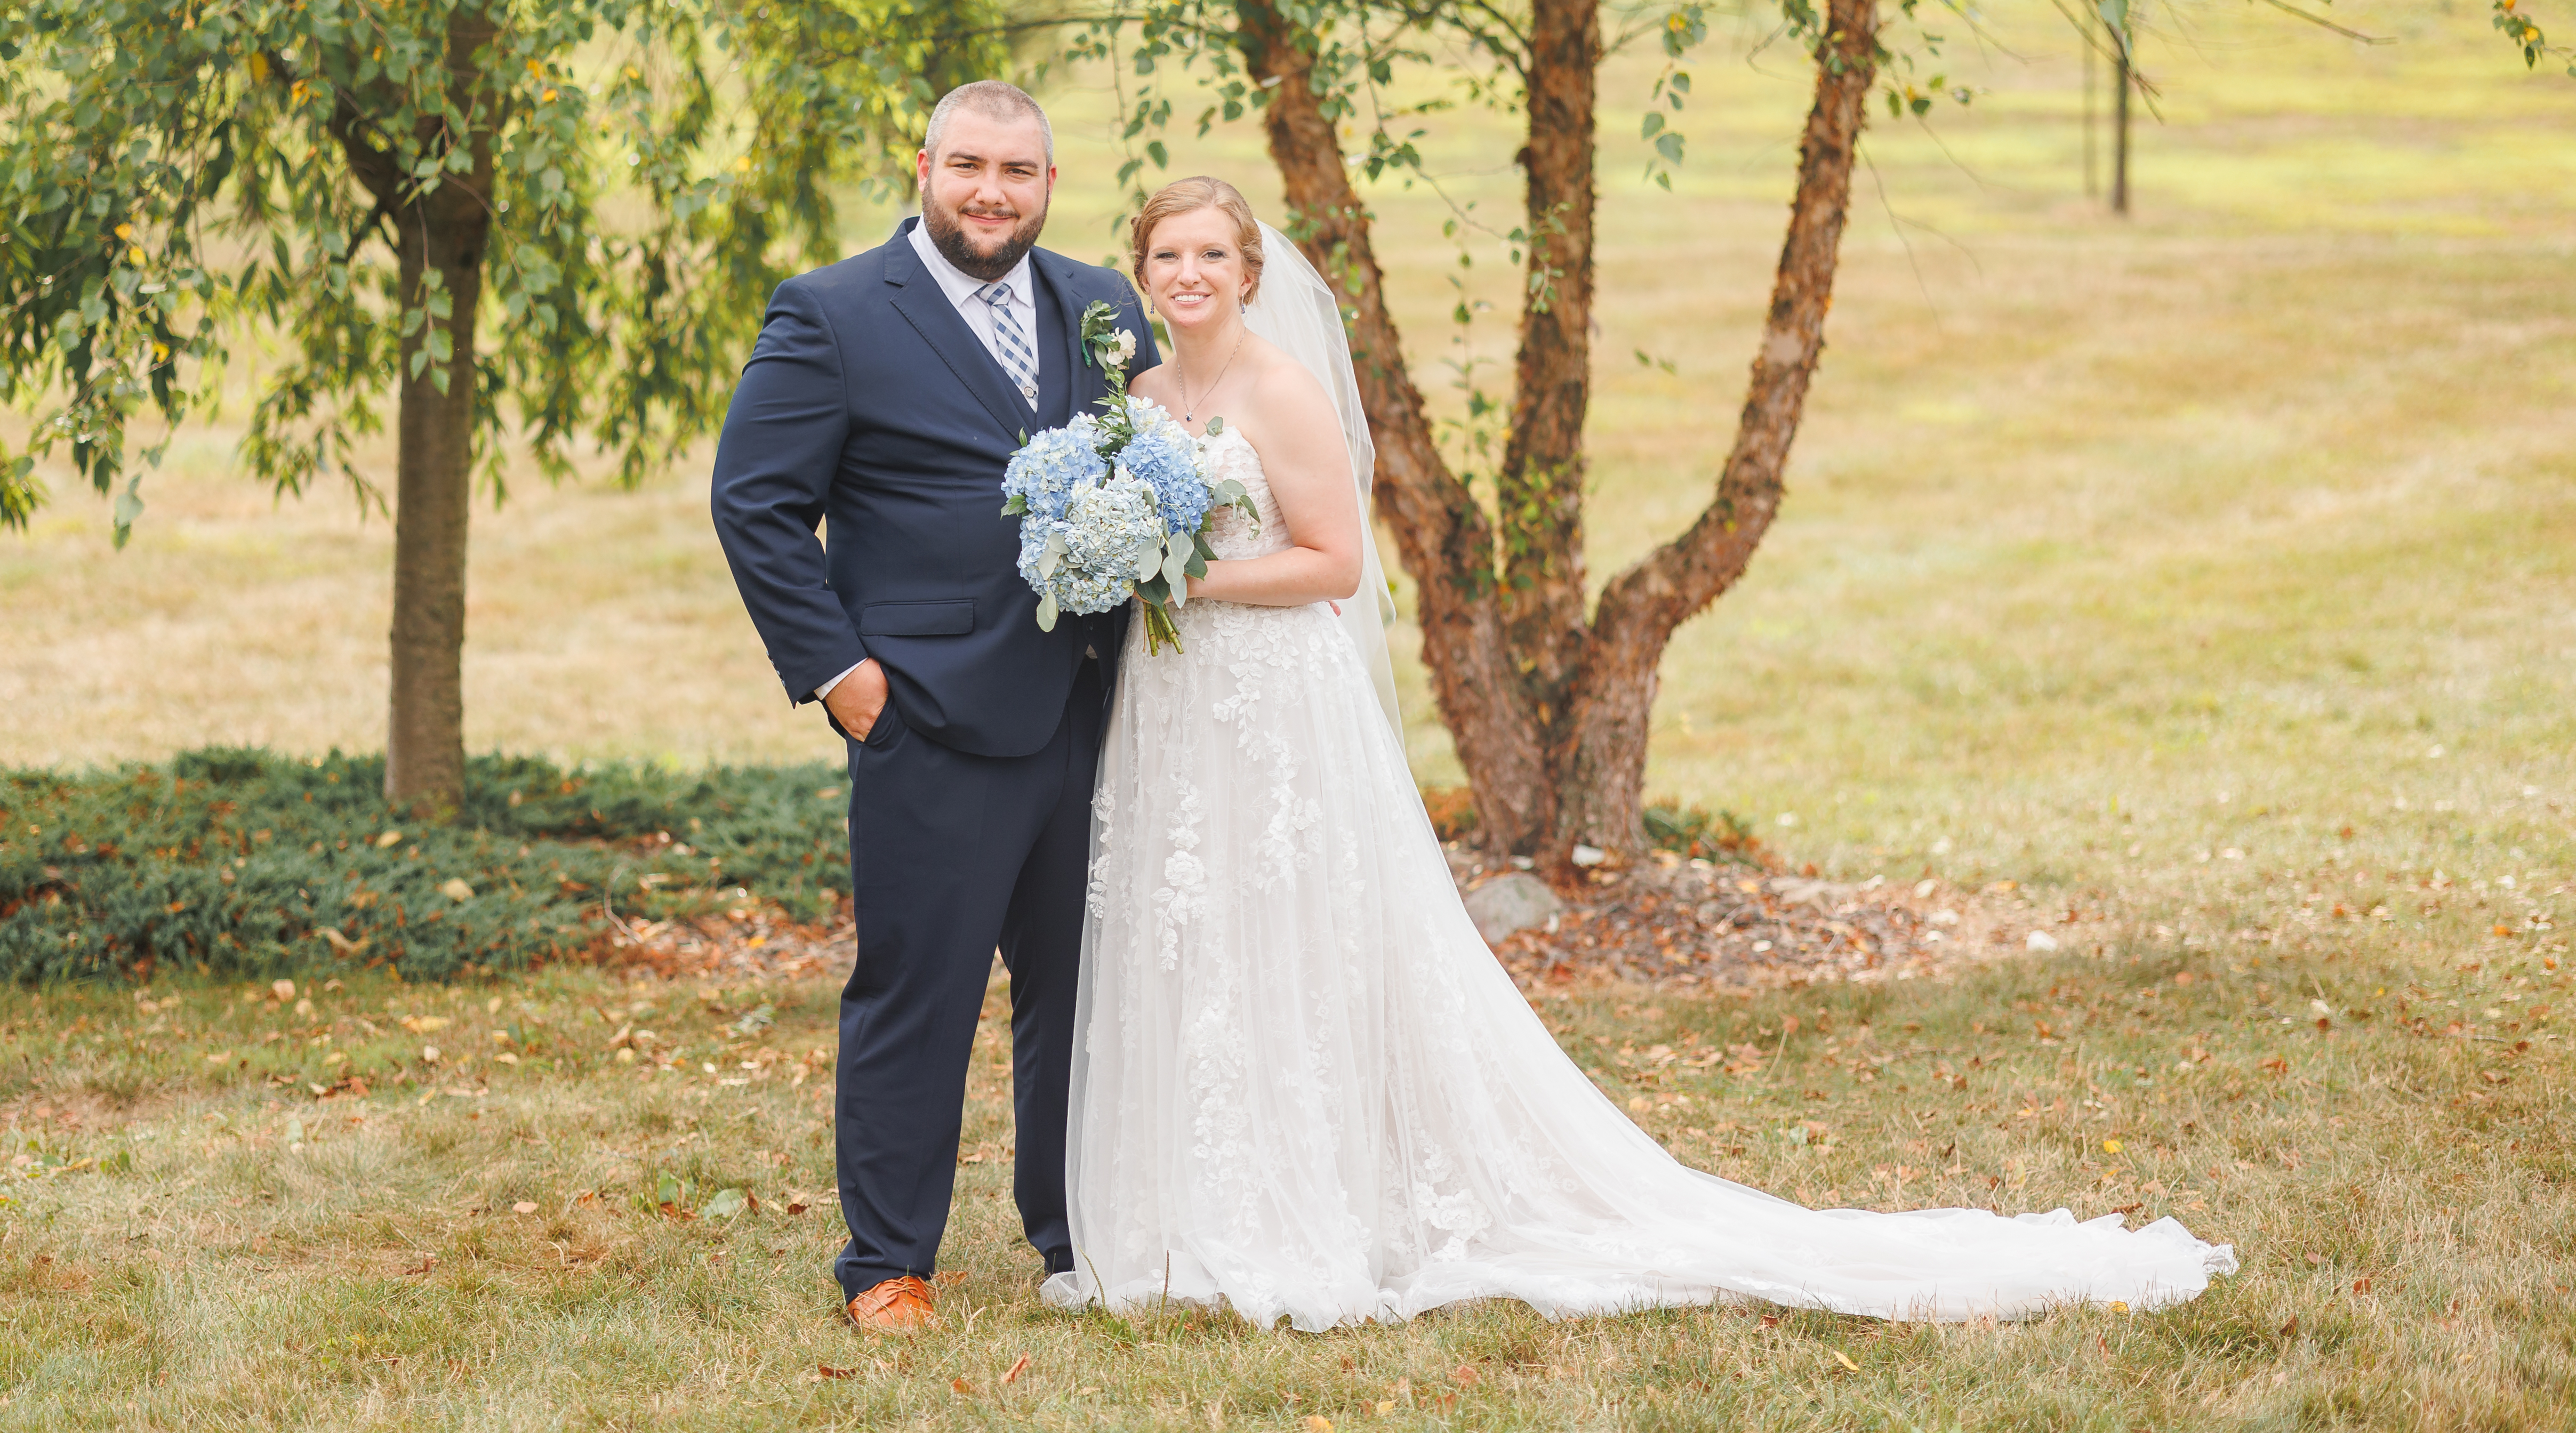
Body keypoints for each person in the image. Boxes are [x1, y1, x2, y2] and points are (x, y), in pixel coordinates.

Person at [1043, 175, 2238, 1329]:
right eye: (1168, 256)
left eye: (1212, 253)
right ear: (1141, 273)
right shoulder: (1139, 395)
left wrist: (1190, 576)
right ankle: (1189, 1206)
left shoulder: (1283, 389)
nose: (1189, 273)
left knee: (1293, 932)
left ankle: (1312, 1205)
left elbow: (1333, 564)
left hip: (1273, 702)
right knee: (1192, 928)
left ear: (1249, 270)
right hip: (1175, 702)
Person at [710, 81, 1158, 1334]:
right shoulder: (836, 312)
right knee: (922, 989)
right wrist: (844, 676)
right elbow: (753, 503)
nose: (991, 191)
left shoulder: (1102, 306)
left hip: (1097, 707)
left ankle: (1074, 1234)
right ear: (923, 166)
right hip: (930, 719)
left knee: (1080, 990)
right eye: (968, 164)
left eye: (1018, 170)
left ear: (1049, 186)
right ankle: (888, 1261)